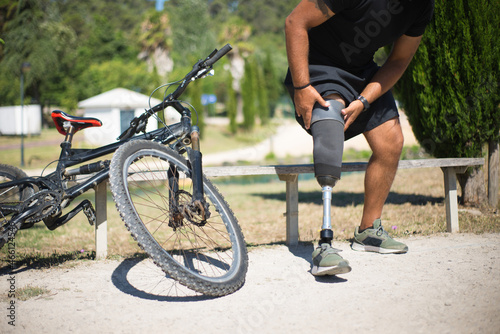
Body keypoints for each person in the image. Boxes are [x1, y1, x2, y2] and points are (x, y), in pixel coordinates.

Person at [284, 0, 435, 276]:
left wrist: (365, 100)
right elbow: (295, 22)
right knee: (331, 121)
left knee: (391, 142)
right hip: (317, 63)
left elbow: (400, 60)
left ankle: (368, 232)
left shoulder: (422, 6)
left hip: (361, 71)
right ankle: (324, 246)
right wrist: (302, 86)